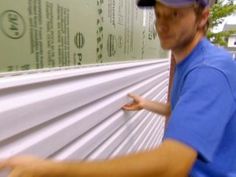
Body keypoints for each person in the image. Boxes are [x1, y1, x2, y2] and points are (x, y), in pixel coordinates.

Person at [0, 0, 236, 176]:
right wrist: (146, 104)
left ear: (203, 17)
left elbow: (172, 165)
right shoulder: (190, 60)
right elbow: (180, 110)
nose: (162, 25)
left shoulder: (209, 72)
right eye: (158, 14)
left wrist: (50, 169)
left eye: (174, 14)